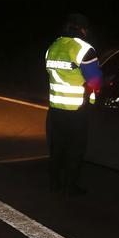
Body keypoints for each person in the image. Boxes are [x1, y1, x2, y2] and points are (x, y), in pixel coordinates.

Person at [44, 13, 102, 195]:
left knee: (57, 148)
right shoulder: (84, 49)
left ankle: (55, 184)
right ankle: (69, 186)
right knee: (75, 149)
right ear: (82, 29)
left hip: (55, 109)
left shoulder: (53, 47)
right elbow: (94, 81)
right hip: (77, 109)